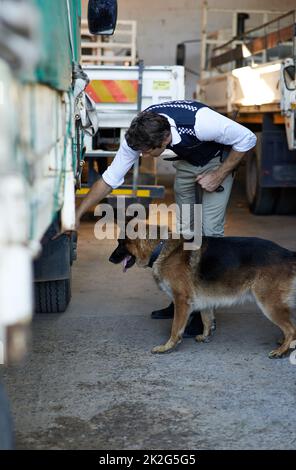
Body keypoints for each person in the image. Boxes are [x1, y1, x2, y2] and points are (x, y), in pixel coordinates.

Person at [76, 100, 257, 337]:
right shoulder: (139, 134)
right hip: (187, 163)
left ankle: (205, 315)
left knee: (210, 235)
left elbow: (248, 138)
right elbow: (110, 179)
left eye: (147, 152)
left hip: (217, 161)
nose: (141, 155)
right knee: (183, 234)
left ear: (164, 141)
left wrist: (219, 174)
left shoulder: (202, 123)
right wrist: (77, 215)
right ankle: (181, 298)